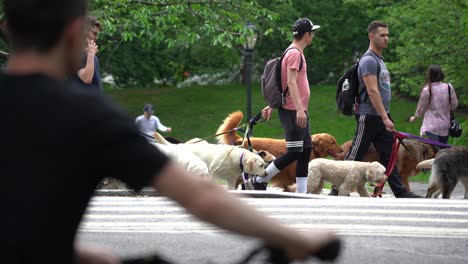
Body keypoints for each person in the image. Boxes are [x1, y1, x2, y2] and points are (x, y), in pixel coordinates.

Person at [0, 1, 341, 263]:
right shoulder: (87, 117)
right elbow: (199, 195)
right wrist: (293, 239)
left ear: (6, 27)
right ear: (75, 34)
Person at [337, 20, 422, 198]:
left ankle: (400, 191)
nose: (386, 38)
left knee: (389, 155)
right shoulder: (368, 60)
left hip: (381, 116)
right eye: (382, 35)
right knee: (355, 153)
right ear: (371, 36)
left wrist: (385, 115)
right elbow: (372, 90)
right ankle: (336, 188)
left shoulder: (379, 60)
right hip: (368, 116)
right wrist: (385, 117)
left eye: (387, 35)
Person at [247, 18, 319, 194]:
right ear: (307, 34)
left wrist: (272, 105)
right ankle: (259, 179)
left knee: (306, 150)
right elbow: (291, 83)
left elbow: (282, 82)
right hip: (294, 110)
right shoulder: (294, 53)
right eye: (312, 33)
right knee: (294, 152)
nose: (313, 36)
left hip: (298, 109)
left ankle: (301, 191)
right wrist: (300, 109)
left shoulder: (292, 51)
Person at [409, 65, 458, 144]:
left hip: (431, 128)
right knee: (442, 151)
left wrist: (415, 117)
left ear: (429, 75)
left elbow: (421, 109)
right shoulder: (449, 87)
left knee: (432, 152)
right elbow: (454, 105)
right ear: (441, 74)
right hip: (445, 127)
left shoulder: (427, 90)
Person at [70, 15, 103, 95]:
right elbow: (87, 78)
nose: (97, 37)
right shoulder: (75, 54)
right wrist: (91, 54)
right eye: (94, 33)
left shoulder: (89, 54)